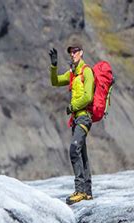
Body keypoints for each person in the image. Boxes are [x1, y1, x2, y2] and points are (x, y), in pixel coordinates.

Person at [49, 42, 95, 205]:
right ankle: (87, 192)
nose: (72, 54)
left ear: (81, 53)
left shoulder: (86, 71)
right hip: (76, 119)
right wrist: (54, 66)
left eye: (75, 52)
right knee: (82, 153)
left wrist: (72, 106)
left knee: (74, 150)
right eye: (71, 52)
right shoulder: (73, 74)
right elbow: (55, 82)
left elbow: (88, 96)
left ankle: (80, 190)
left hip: (84, 117)